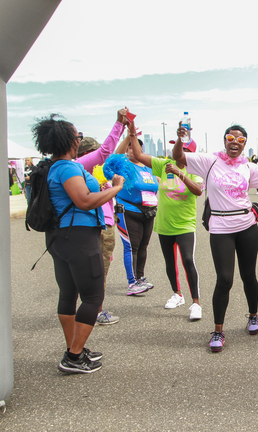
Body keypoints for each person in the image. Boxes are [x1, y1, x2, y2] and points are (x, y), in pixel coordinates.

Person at [172, 125, 258, 353]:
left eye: (241, 139)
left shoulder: (248, 167)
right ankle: (218, 330)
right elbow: (179, 158)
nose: (235, 142)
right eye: (231, 138)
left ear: (244, 144)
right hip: (221, 227)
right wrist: (180, 140)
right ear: (224, 140)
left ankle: (253, 315)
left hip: (247, 225)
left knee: (249, 275)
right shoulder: (209, 161)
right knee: (224, 279)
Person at [31, 113, 125, 374]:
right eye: (78, 136)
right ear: (71, 141)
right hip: (78, 236)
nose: (79, 139)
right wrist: (115, 188)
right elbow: (83, 201)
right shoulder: (68, 168)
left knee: (69, 294)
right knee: (94, 297)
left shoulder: (55, 167)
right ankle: (73, 356)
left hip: (60, 236)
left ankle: (75, 348)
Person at [125, 120, 205, 320]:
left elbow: (198, 191)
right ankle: (177, 294)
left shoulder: (195, 170)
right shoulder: (163, 165)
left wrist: (180, 174)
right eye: (175, 145)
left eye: (181, 147)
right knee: (170, 262)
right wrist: (133, 134)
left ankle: (196, 303)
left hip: (185, 224)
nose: (175, 150)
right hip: (165, 225)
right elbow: (138, 155)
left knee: (187, 260)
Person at [76, 108, 129, 325]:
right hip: (98, 225)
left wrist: (129, 134)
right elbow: (108, 151)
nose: (101, 156)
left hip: (99, 223)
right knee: (99, 271)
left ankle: (92, 309)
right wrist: (119, 124)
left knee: (97, 270)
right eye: (95, 152)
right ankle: (95, 311)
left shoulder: (90, 172)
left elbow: (114, 154)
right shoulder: (83, 168)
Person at [113, 131, 159, 296]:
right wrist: (128, 135)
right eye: (129, 148)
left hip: (148, 211)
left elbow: (156, 185)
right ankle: (131, 282)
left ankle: (140, 277)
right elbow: (114, 159)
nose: (132, 151)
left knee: (143, 247)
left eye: (136, 148)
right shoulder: (124, 165)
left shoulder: (148, 167)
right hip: (128, 211)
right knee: (131, 247)